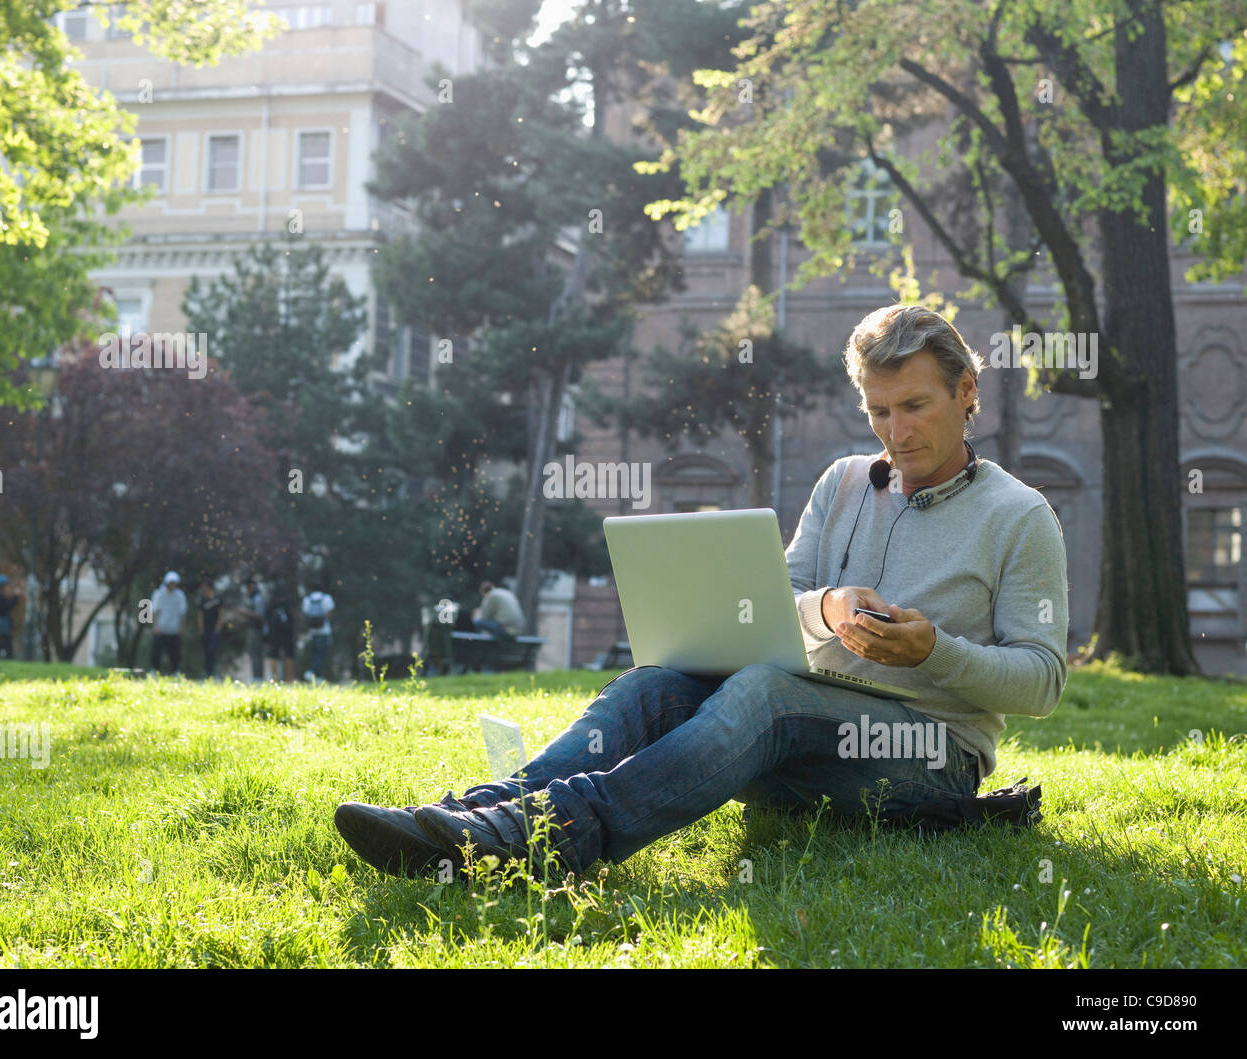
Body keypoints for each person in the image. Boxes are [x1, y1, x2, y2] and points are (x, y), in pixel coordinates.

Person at [334, 304, 1069, 878]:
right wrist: (823, 608)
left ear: (966, 389)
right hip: (795, 736)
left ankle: (548, 840)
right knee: (657, 684)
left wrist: (932, 651)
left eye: (914, 406)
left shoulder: (1019, 516)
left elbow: (1042, 682)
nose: (895, 432)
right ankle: (474, 815)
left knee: (763, 693)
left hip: (925, 757)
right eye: (878, 411)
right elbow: (775, 600)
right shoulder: (844, 482)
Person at [150, 571, 187, 675]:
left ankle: (175, 671)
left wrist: (181, 628)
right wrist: (155, 626)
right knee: (156, 652)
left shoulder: (180, 596)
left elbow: (183, 613)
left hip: (174, 629)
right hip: (161, 629)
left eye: (174, 583)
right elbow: (154, 611)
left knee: (175, 653)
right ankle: (154, 671)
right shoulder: (158, 594)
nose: (172, 585)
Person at [302, 582, 336, 682]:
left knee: (314, 654)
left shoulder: (307, 599)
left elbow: (305, 613)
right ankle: (313, 673)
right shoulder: (326, 598)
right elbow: (330, 612)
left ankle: (316, 676)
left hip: (312, 631)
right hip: (324, 630)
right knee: (321, 654)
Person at [265, 581, 296, 683]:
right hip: (287, 632)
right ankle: (288, 679)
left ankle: (274, 679)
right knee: (289, 655)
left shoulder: (271, 602)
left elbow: (266, 617)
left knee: (273, 654)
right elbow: (293, 617)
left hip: (274, 633)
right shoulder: (288, 602)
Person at [238, 578, 266, 682]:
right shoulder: (253, 597)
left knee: (255, 652)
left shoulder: (257, 598)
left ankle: (258, 677)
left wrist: (245, 612)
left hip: (256, 629)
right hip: (253, 628)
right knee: (254, 652)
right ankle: (257, 676)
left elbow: (259, 614)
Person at [197, 579, 222, 679]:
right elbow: (200, 616)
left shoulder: (218, 599)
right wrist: (201, 629)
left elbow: (221, 614)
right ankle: (207, 672)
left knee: (213, 651)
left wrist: (217, 628)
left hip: (214, 630)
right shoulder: (203, 600)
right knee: (206, 652)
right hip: (205, 630)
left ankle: (212, 673)